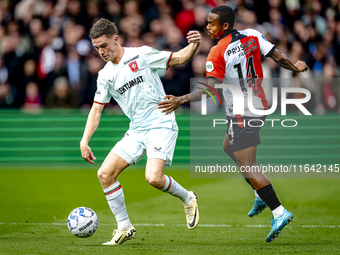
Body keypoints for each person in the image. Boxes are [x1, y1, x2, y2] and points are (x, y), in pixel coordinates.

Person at [158, 6, 308, 242]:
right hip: (258, 103)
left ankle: (279, 211)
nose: (207, 27)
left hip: (243, 111)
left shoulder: (217, 52)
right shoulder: (252, 34)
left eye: (211, 23)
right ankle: (260, 193)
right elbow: (276, 54)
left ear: (225, 26)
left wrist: (181, 99)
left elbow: (210, 87)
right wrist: (295, 67)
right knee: (228, 147)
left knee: (248, 165)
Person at [80, 18, 201, 246]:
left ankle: (188, 197)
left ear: (115, 39)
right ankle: (124, 227)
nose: (101, 51)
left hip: (161, 123)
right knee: (105, 175)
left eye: (104, 45)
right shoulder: (105, 75)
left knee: (153, 178)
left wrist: (194, 44)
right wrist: (85, 140)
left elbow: (181, 58)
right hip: (136, 130)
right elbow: (96, 111)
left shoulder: (142, 55)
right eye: (97, 48)